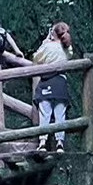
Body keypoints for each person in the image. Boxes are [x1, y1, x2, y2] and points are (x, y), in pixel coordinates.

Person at [33, 21, 74, 151]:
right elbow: (69, 54)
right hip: (61, 83)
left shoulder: (48, 46)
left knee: (45, 113)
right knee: (60, 114)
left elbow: (36, 58)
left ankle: (43, 143)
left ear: (53, 33)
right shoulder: (67, 48)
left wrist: (45, 41)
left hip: (47, 82)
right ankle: (60, 143)